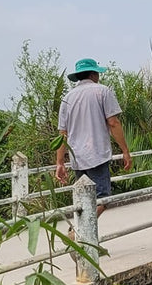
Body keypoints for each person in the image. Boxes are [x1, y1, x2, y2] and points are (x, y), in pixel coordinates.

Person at [56, 58, 132, 214]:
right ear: (93, 74)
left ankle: (79, 232)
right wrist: (125, 150)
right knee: (102, 198)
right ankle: (78, 231)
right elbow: (113, 123)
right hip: (97, 153)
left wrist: (60, 162)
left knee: (84, 200)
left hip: (77, 157)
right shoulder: (102, 91)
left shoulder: (67, 98)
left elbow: (62, 134)